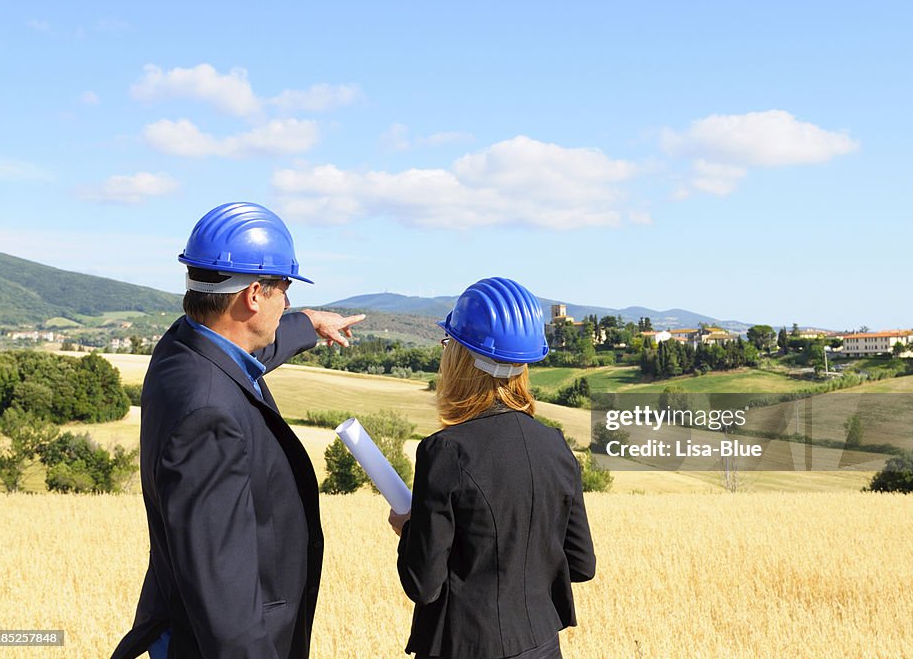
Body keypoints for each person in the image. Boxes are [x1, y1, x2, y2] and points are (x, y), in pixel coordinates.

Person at [111, 202, 364, 659]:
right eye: (283, 289)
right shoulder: (208, 416)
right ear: (252, 295)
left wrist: (307, 323)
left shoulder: (182, 347)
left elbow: (245, 354)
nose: (286, 300)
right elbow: (224, 597)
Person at [389, 277, 596, 659]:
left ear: (461, 357)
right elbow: (581, 564)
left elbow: (423, 585)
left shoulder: (445, 451)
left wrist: (408, 529)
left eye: (447, 344)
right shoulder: (556, 446)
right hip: (542, 647)